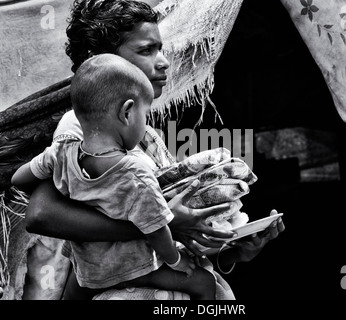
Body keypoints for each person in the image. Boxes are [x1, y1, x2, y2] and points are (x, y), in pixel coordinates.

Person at [23, 0, 285, 299]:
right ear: (105, 63)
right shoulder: (83, 130)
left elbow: (153, 254)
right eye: (146, 50)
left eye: (160, 48)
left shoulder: (144, 135)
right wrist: (161, 223)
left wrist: (234, 252)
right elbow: (41, 214)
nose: (163, 61)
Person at [12, 53, 219, 300]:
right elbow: (156, 228)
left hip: (88, 273)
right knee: (206, 284)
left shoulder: (61, 153)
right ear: (127, 112)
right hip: (132, 268)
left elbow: (19, 180)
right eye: (146, 114)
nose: (145, 124)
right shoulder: (135, 172)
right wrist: (177, 261)